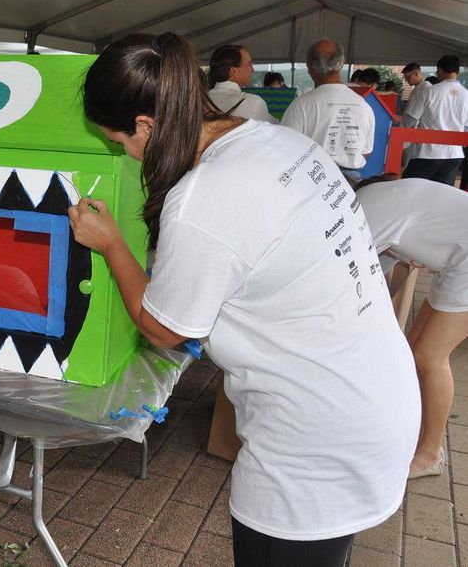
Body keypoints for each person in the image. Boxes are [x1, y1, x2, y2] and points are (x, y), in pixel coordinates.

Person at [73, 32, 418, 566]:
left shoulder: (206, 197)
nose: (126, 152)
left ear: (144, 125)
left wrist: (112, 242)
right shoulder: (276, 141)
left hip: (314, 440)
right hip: (373, 393)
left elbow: (167, 329)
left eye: (120, 141)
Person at [355, 176, 468, 477]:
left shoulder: (365, 211)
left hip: (465, 261)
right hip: (459, 259)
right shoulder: (383, 197)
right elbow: (377, 276)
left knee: (429, 357)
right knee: (413, 350)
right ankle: (418, 435)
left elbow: (343, 276)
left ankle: (429, 454)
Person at [281, 39, 375, 180]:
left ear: (309, 68)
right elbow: (366, 152)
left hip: (314, 180)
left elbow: (286, 148)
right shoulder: (363, 106)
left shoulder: (301, 105)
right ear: (342, 63)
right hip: (352, 183)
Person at [402, 55, 468, 186]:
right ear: (458, 72)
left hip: (428, 153)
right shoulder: (466, 94)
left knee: (409, 188)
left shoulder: (429, 91)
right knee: (440, 194)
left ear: (439, 70)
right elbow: (466, 128)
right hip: (454, 155)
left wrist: (404, 138)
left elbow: (410, 119)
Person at [205, 44, 276, 123]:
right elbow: (278, 130)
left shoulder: (200, 101)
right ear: (234, 71)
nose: (252, 70)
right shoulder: (253, 103)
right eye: (250, 64)